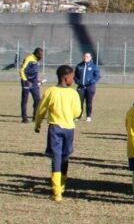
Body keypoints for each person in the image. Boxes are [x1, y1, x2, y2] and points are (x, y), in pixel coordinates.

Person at [34, 64, 81, 201]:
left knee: (56, 157)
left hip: (55, 128)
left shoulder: (51, 91)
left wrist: (38, 124)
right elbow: (77, 112)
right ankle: (61, 186)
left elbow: (41, 110)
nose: (73, 79)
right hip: (69, 129)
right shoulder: (73, 93)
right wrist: (71, 115)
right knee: (66, 156)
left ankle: (56, 193)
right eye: (72, 77)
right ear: (65, 77)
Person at [73, 52, 101, 122]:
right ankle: (78, 116)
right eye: (85, 56)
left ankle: (88, 116)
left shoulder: (94, 66)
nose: (86, 58)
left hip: (90, 87)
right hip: (81, 87)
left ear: (90, 58)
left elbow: (97, 76)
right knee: (79, 102)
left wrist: (91, 81)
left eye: (87, 57)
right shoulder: (79, 66)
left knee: (89, 102)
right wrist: (77, 81)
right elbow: (75, 76)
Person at [20, 47, 44, 123]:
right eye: (40, 55)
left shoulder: (36, 60)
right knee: (25, 100)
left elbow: (34, 71)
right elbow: (22, 70)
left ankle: (35, 117)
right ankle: (24, 118)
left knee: (38, 100)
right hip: (26, 82)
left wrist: (37, 79)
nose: (42, 56)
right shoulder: (29, 59)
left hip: (34, 83)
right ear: (37, 54)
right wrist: (26, 81)